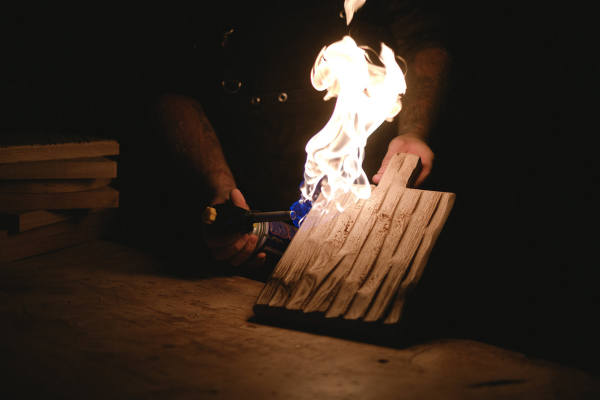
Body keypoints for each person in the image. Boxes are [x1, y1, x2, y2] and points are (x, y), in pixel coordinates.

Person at [152, 0, 450, 267]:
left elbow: (422, 37)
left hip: (365, 194)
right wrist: (220, 185)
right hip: (238, 191)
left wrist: (414, 132)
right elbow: (172, 86)